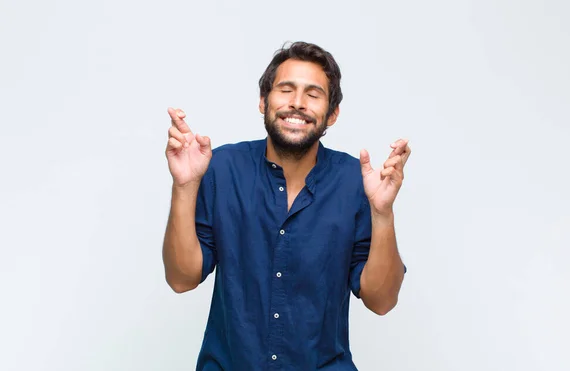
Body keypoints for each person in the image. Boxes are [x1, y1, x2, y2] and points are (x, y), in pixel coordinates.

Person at [162, 41, 411, 370]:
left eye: (313, 94)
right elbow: (181, 279)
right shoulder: (220, 168)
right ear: (263, 102)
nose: (297, 103)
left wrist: (381, 214)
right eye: (286, 89)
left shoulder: (356, 182)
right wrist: (184, 186)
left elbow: (381, 301)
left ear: (332, 113)